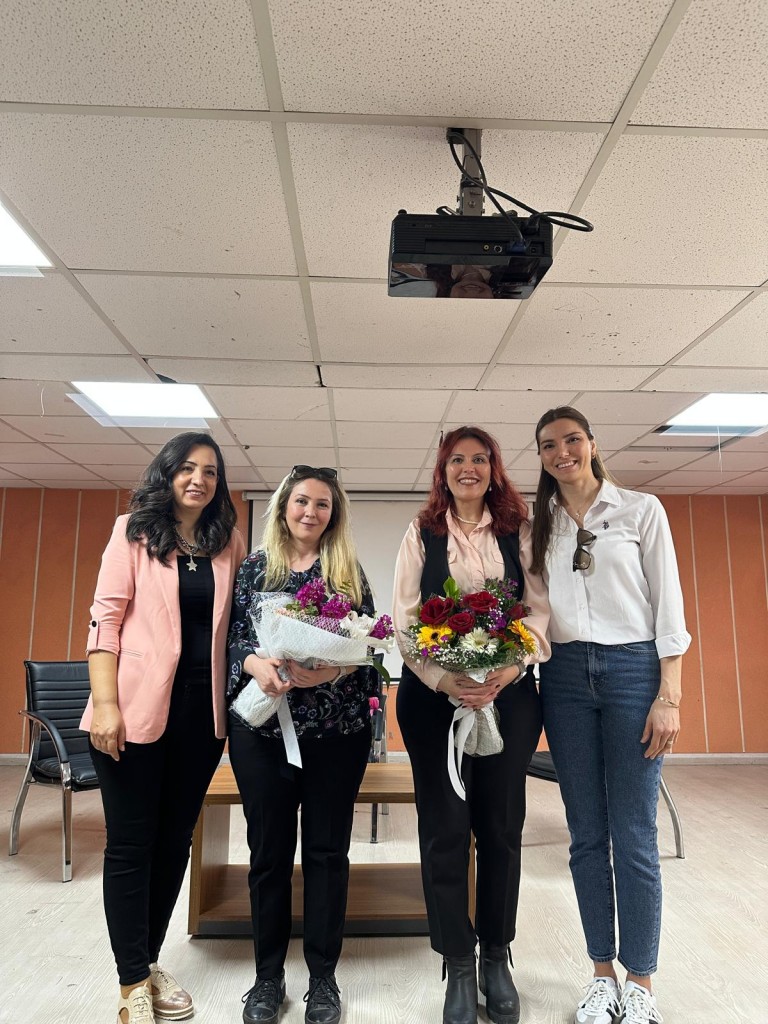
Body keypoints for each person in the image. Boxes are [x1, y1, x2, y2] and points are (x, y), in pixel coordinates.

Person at [531, 407, 691, 1024]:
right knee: (586, 835)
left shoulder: (641, 510)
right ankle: (601, 974)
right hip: (564, 675)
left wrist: (668, 695)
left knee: (634, 832)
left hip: (633, 671)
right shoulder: (538, 524)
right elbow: (534, 606)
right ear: (541, 457)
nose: (562, 452)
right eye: (549, 445)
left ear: (593, 445)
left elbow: (668, 606)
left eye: (572, 440)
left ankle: (641, 980)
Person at [82, 432, 246, 1024]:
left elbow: (236, 625)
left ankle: (147, 962)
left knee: (175, 841)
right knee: (132, 844)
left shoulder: (227, 540)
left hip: (201, 720)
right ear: (168, 473)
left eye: (210, 471)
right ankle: (131, 983)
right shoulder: (132, 531)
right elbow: (105, 623)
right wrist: (106, 705)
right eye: (188, 468)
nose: (199, 479)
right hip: (130, 711)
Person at [392, 426, 550, 1024]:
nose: (469, 468)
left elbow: (539, 611)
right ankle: (457, 960)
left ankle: (496, 957)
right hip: (434, 700)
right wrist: (444, 679)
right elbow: (406, 619)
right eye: (457, 459)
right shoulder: (421, 532)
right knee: (445, 830)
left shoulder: (519, 530)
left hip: (509, 695)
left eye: (480, 459)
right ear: (443, 469)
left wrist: (508, 669)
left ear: (494, 468)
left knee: (501, 827)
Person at [227, 465, 378, 1024]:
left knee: (326, 855)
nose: (310, 512)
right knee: (268, 856)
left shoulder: (347, 574)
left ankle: (322, 979)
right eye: (301, 501)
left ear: (333, 513)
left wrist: (332, 671)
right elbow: (233, 640)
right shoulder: (254, 568)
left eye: (322, 504)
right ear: (283, 507)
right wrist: (256, 665)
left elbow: (368, 648)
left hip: (336, 735)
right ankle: (267, 978)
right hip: (264, 733)